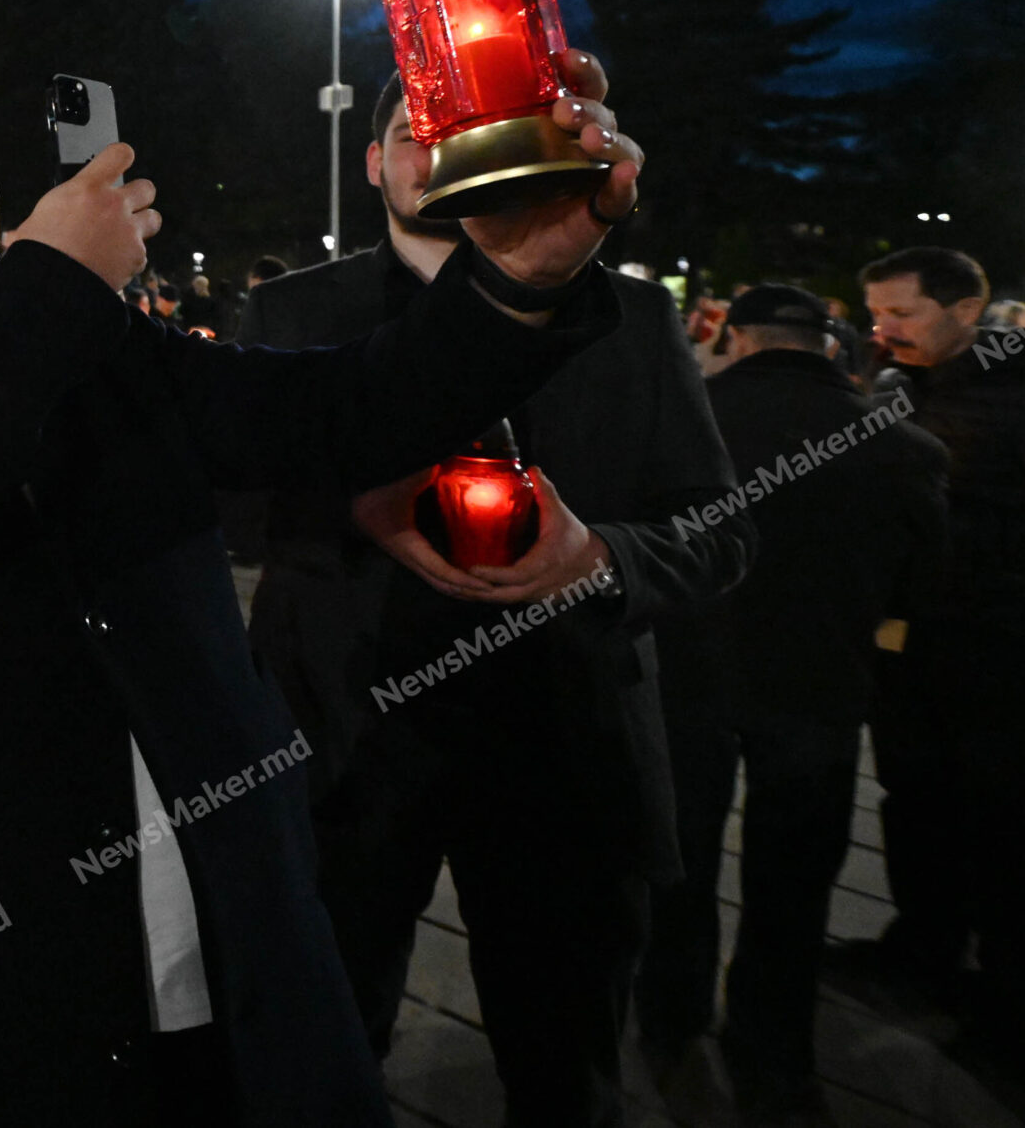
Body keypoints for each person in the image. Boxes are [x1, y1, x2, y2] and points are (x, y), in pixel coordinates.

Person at [0, 55, 642, 1126]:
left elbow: (343, 409)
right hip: (7, 977)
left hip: (236, 940)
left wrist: (514, 281)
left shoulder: (113, 362)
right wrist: (52, 286)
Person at [238, 74, 748, 1127]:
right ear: (371, 162)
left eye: (459, 129)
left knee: (565, 1070)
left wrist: (595, 557)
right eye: (407, 134)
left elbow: (721, 532)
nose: (435, 150)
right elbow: (230, 509)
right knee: (322, 1053)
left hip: (562, 747)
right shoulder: (290, 315)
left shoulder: (634, 316)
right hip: (343, 742)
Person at [635, 283, 947, 1121]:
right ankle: (772, 1044)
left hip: (687, 682)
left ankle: (671, 1014)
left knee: (680, 861)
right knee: (796, 876)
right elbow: (921, 589)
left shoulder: (674, 427)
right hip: (820, 685)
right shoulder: (904, 447)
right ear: (832, 346)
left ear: (734, 338)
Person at [849, 247, 1025, 1076]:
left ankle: (1009, 1000)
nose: (882, 330)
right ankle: (922, 949)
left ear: (967, 310)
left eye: (903, 313)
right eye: (876, 314)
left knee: (1004, 820)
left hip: (1003, 649)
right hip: (913, 640)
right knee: (914, 795)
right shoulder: (899, 384)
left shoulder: (1021, 393)